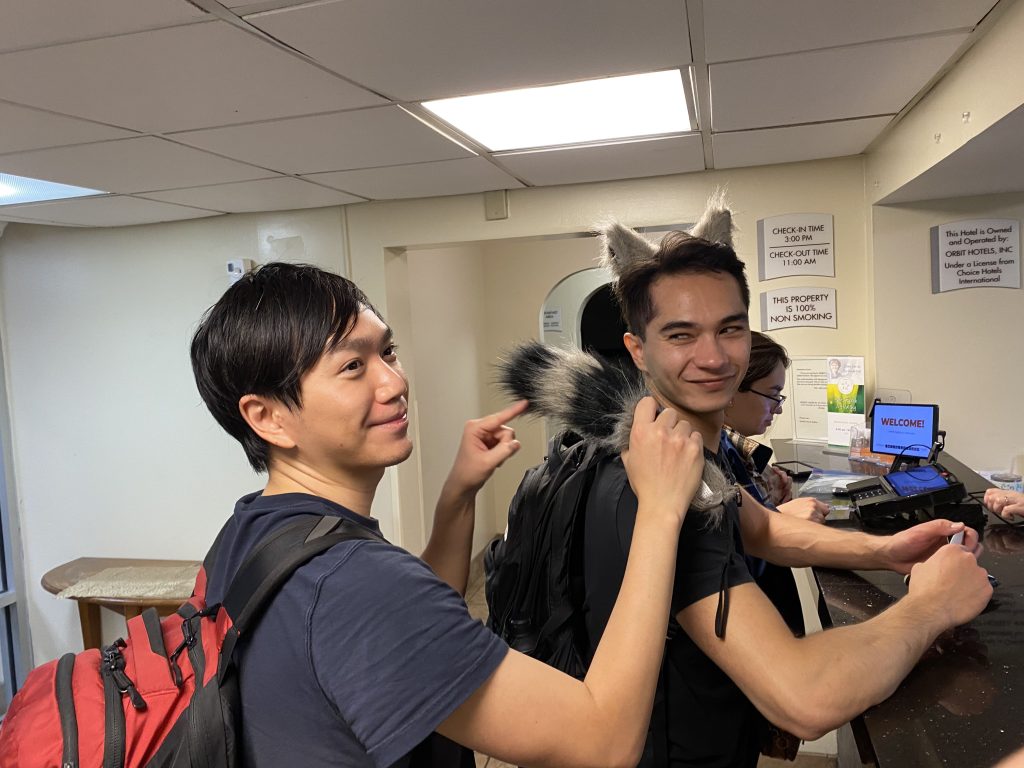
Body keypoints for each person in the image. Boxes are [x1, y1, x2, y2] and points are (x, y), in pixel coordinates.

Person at [499, 198, 993, 767]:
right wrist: (933, 604)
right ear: (638, 350)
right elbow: (803, 696)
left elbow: (761, 530)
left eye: (729, 329)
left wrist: (886, 550)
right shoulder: (664, 488)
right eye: (681, 335)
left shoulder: (697, 448)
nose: (713, 357)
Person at [189, 261, 706, 768]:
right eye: (352, 367)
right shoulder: (353, 584)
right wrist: (660, 510)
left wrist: (458, 495)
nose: (394, 383)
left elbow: (411, 639)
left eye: (387, 352)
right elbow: (603, 743)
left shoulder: (251, 532)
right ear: (268, 417)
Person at [721, 331, 829, 524]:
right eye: (773, 395)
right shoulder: (708, 460)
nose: (778, 409)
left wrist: (770, 495)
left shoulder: (737, 452)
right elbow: (727, 535)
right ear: (731, 391)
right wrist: (779, 517)